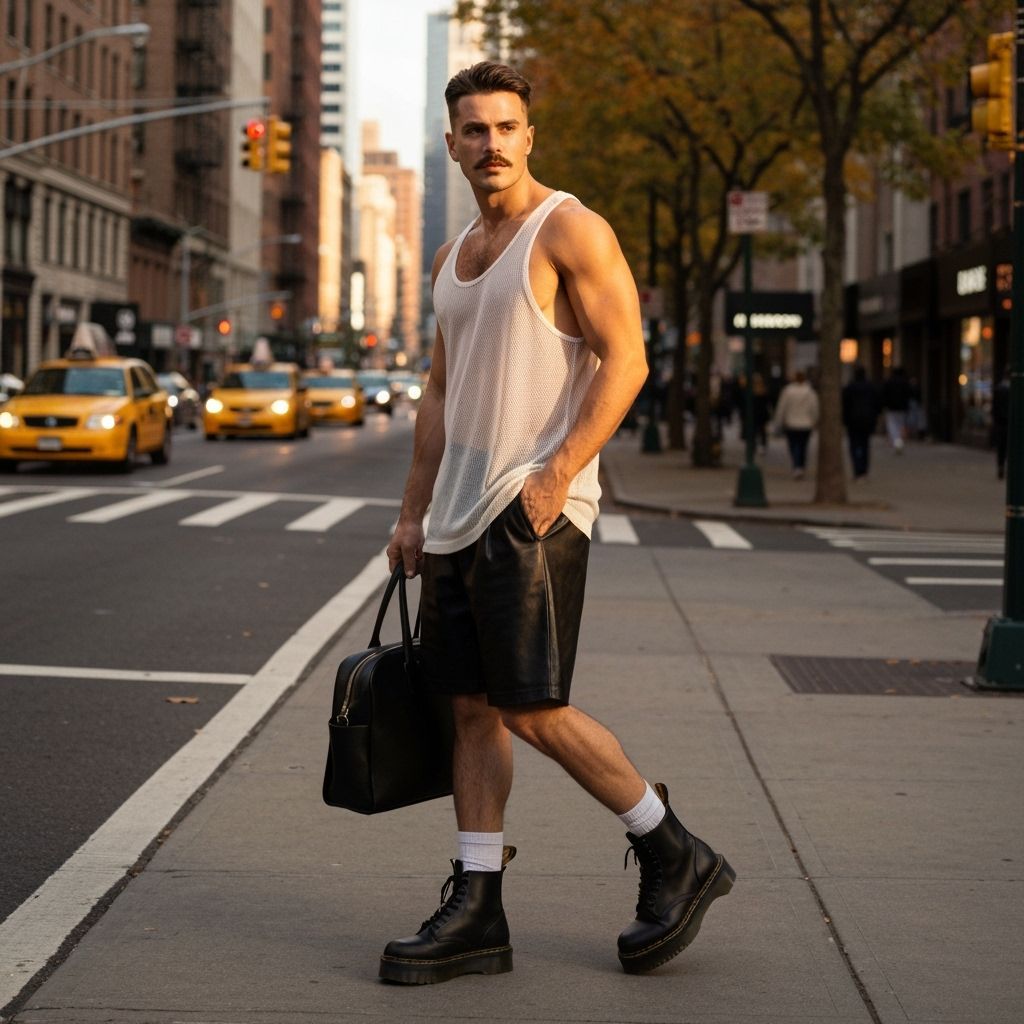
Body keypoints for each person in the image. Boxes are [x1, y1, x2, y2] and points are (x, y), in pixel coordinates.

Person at [382, 61, 734, 986]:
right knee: (470, 711)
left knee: (532, 708)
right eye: (473, 129)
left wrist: (560, 472)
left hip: (532, 510)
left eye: (506, 127)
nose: (490, 143)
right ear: (450, 141)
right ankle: (477, 906)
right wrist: (413, 512)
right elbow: (438, 391)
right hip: (458, 517)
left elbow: (628, 361)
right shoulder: (452, 256)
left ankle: (673, 851)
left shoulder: (568, 227)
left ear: (529, 135)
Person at [770, 370, 819, 479]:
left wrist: (778, 422)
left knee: (794, 446)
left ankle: (797, 466)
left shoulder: (788, 391)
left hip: (792, 423)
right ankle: (800, 466)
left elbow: (782, 408)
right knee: (803, 446)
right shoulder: (810, 392)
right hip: (806, 424)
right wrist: (814, 421)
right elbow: (815, 408)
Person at [842, 365, 880, 480]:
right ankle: (863, 470)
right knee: (865, 445)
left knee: (854, 446)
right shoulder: (871, 387)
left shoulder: (850, 387)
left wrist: (845, 420)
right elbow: (877, 404)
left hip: (853, 421)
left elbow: (845, 405)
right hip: (866, 421)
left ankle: (857, 470)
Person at [881, 365, 911, 453]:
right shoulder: (905, 382)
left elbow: (884, 394)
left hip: (891, 407)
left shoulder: (889, 382)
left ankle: (897, 442)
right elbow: (907, 395)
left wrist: (885, 405)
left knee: (892, 425)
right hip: (902, 408)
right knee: (900, 424)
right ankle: (898, 442)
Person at [992, 368, 1010, 480]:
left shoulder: (998, 389)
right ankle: (1004, 468)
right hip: (1007, 423)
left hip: (1000, 423)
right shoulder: (1011, 389)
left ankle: (1001, 467)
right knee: (1007, 447)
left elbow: (994, 409)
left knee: (1002, 447)